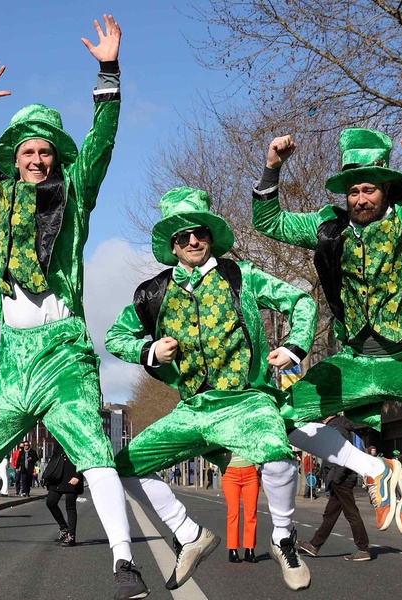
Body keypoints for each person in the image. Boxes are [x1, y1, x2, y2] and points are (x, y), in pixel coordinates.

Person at [0, 16, 147, 599]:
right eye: (29, 151)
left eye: (46, 152)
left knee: (94, 452)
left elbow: (103, 142)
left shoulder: (76, 192)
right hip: (12, 354)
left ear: (58, 159)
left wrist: (108, 72)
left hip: (62, 350)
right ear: (15, 159)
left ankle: (124, 565)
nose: (37, 160)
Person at [253, 128, 402, 538]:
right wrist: (272, 166)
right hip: (355, 359)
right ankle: (376, 472)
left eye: (368, 189)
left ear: (385, 188)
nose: (359, 199)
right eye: (353, 191)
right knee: (278, 417)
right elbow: (268, 221)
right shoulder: (329, 227)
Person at [106, 186, 315, 591]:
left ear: (210, 235)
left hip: (245, 401)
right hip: (193, 407)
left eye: (198, 233)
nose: (192, 241)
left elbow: (301, 302)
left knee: (277, 457)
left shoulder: (242, 276)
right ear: (172, 245)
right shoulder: (154, 292)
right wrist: (148, 349)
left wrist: (294, 345)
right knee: (125, 467)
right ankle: (188, 533)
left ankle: (283, 538)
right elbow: (116, 336)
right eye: (182, 237)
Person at [296, 415, 371, 562]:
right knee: (330, 514)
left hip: (342, 479)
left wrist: (336, 478)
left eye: (323, 416)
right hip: (339, 479)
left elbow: (344, 457)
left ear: (330, 416)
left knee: (351, 513)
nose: (321, 418)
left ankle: (363, 548)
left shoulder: (339, 430)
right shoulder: (336, 428)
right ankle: (314, 545)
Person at [221, 452, 260, 563]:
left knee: (251, 513)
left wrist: (257, 466)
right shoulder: (224, 433)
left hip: (250, 473)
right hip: (230, 473)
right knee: (233, 513)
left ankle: (250, 549)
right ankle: (232, 549)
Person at [43, 446, 83, 547]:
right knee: (50, 502)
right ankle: (64, 528)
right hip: (58, 476)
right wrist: (48, 475)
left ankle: (71, 536)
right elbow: (54, 457)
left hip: (72, 475)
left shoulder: (77, 438)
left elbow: (83, 457)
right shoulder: (59, 437)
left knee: (70, 506)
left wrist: (78, 475)